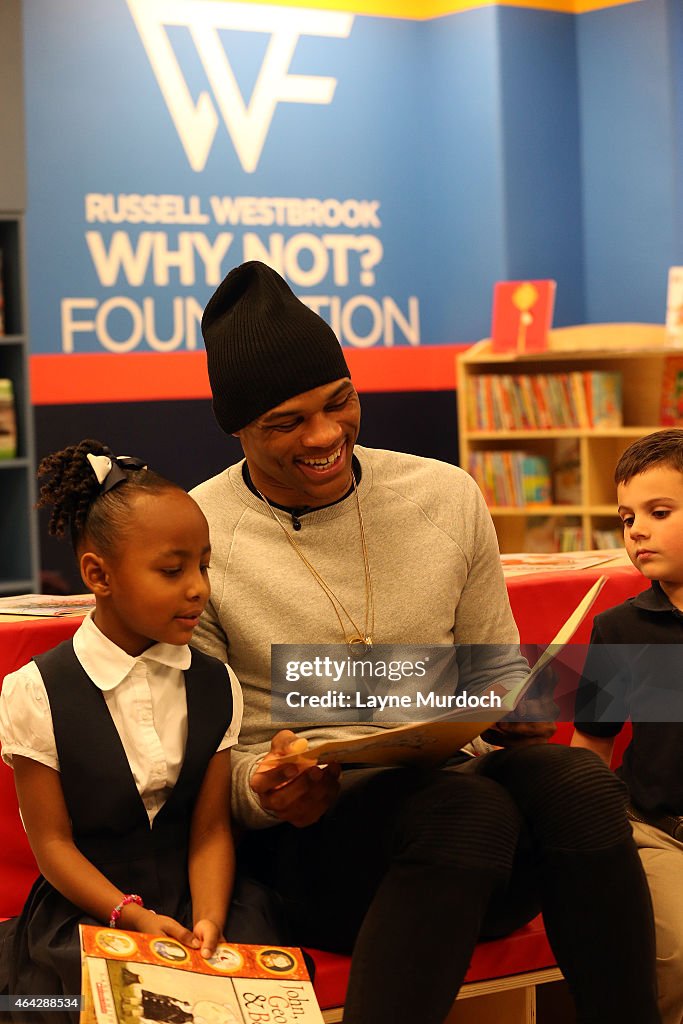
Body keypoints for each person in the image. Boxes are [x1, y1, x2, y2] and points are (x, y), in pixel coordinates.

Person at [190, 260, 661, 1024]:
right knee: (464, 811)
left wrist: (516, 708)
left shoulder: (442, 494)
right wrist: (265, 788)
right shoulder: (199, 535)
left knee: (575, 781)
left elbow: (496, 672)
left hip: (477, 844)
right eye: (286, 423)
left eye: (338, 403)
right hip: (318, 862)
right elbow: (213, 771)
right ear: (237, 428)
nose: (324, 436)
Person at [0, 440, 243, 1024]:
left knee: (235, 1002)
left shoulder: (216, 683)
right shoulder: (34, 691)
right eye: (172, 569)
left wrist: (209, 921)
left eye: (204, 565)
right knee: (60, 1007)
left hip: (193, 903)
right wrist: (130, 915)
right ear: (97, 575)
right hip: (92, 910)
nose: (198, 588)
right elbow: (52, 845)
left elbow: (210, 830)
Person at [573, 428, 683, 1024]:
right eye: (626, 516)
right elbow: (593, 738)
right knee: (679, 957)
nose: (635, 529)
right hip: (660, 833)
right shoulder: (621, 628)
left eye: (658, 512)